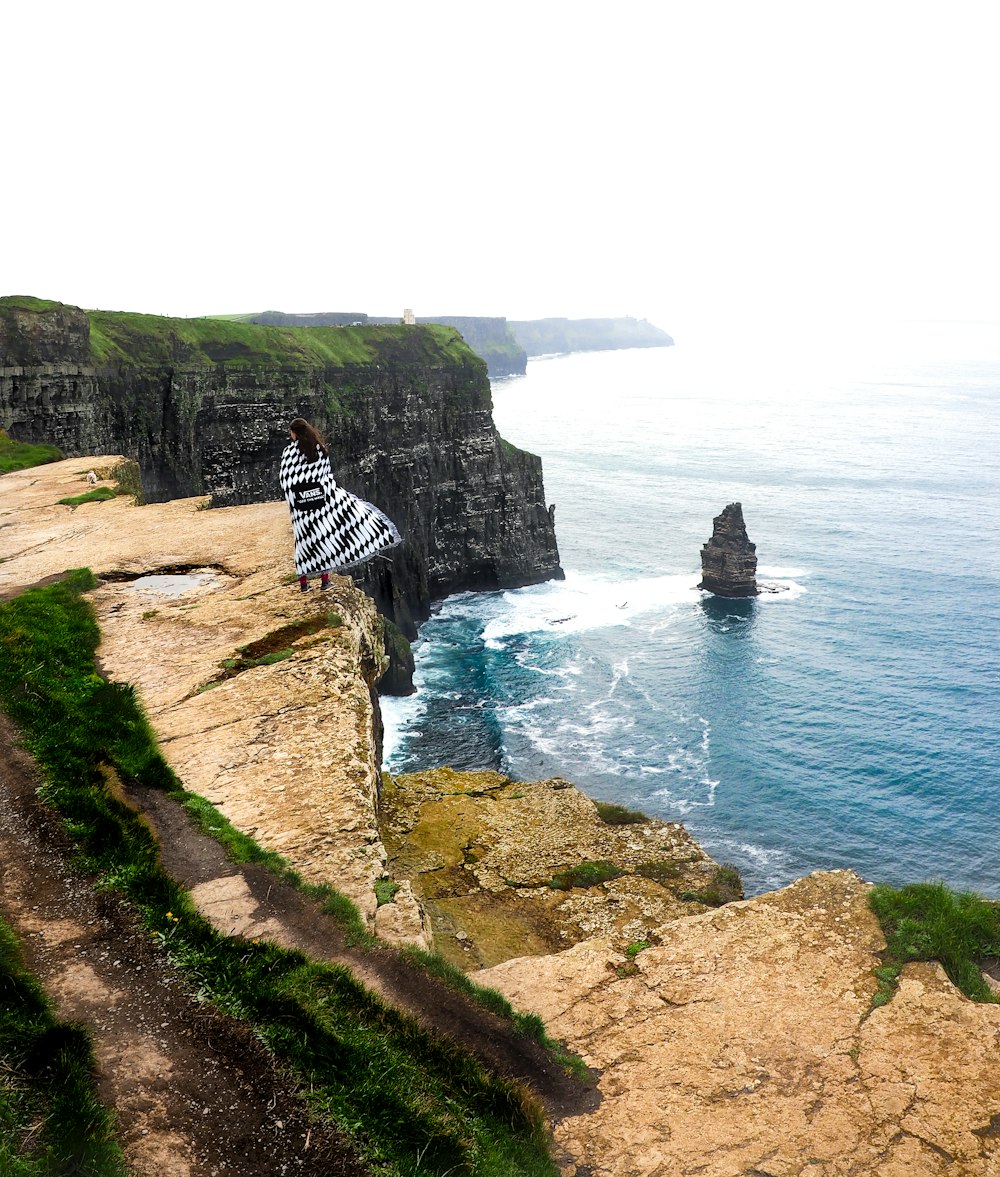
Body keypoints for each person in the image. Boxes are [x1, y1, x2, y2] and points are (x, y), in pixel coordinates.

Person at [278, 417, 401, 592]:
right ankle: (325, 582)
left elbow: (286, 478)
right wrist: (329, 493)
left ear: (294, 432)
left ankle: (304, 584)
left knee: (304, 540)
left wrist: (294, 498)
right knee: (326, 536)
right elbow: (325, 477)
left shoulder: (289, 452)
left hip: (301, 505)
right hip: (320, 500)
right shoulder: (319, 449)